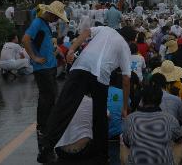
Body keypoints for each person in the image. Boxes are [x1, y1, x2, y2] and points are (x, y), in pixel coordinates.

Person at [37, 26, 135, 164]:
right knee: (99, 117)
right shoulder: (124, 46)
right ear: (131, 41)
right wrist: (125, 107)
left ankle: (46, 148)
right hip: (100, 75)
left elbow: (86, 31)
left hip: (80, 67)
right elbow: (126, 80)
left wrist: (71, 49)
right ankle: (101, 155)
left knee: (63, 108)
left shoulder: (105, 29)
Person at [22, 1, 68, 148]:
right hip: (42, 68)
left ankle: (47, 126)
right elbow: (25, 39)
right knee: (47, 97)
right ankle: (43, 127)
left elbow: (43, 45)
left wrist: (55, 55)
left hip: (49, 66)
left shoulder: (44, 24)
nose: (57, 19)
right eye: (56, 16)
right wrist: (34, 57)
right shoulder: (37, 23)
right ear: (50, 13)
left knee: (50, 96)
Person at [122, 83, 182, 165]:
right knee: (180, 145)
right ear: (160, 100)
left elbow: (127, 143)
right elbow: (180, 140)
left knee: (123, 145)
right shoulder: (170, 119)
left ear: (142, 99)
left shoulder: (130, 119)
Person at [54, 96, 94, 161]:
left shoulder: (60, 102)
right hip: (84, 150)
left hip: (61, 151)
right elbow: (108, 116)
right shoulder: (92, 101)